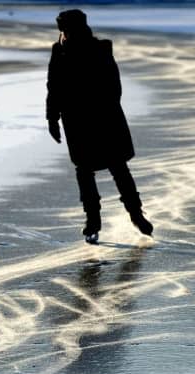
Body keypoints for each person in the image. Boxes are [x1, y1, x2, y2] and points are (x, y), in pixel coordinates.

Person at [46, 9, 153, 244]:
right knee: (91, 171)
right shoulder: (60, 51)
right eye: (62, 29)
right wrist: (52, 119)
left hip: (102, 118)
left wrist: (102, 108)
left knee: (114, 168)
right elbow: (53, 86)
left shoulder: (100, 49)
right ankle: (96, 221)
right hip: (80, 121)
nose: (64, 33)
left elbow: (114, 86)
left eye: (66, 28)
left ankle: (135, 215)